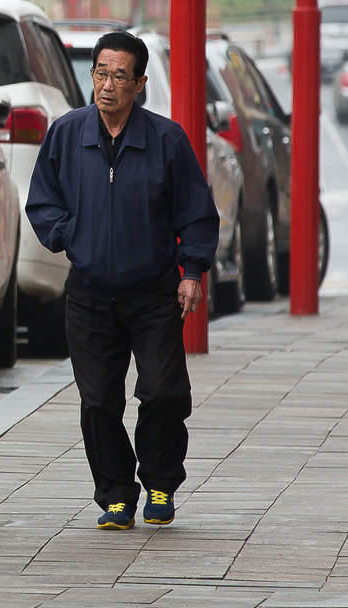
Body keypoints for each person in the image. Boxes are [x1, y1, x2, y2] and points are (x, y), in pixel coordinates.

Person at [25, 31, 219, 530]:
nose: (107, 85)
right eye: (100, 73)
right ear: (90, 76)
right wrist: (71, 235)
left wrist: (192, 271)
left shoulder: (166, 139)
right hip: (89, 295)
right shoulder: (67, 134)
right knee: (98, 402)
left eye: (119, 76)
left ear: (139, 84)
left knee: (162, 392)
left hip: (153, 293)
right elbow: (43, 201)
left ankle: (159, 483)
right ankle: (115, 492)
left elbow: (196, 213)